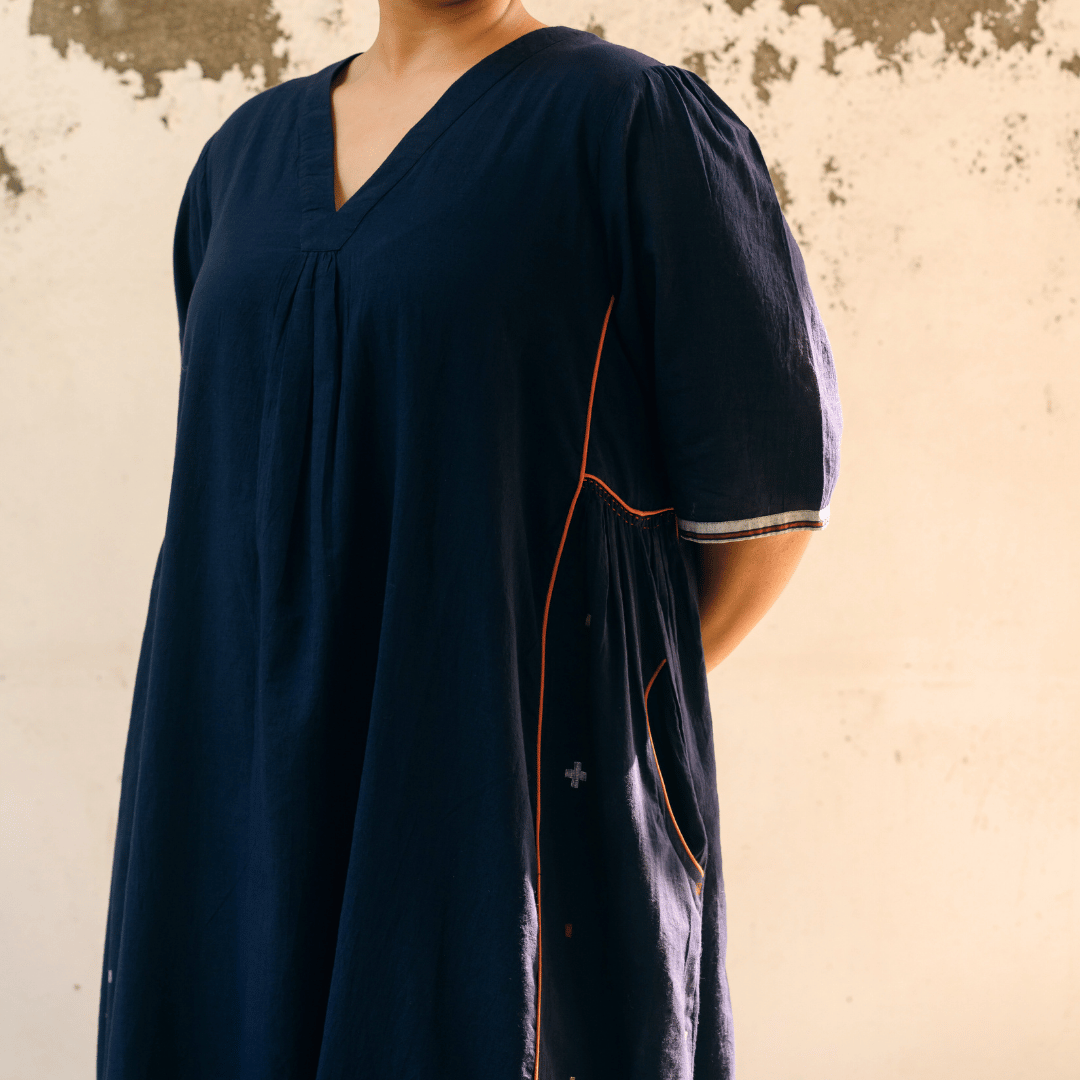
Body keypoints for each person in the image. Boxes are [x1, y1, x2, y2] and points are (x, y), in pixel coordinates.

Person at [96, 2, 841, 1078]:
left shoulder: (631, 124)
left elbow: (765, 503)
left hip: (500, 793)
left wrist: (555, 706)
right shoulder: (240, 163)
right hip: (237, 783)